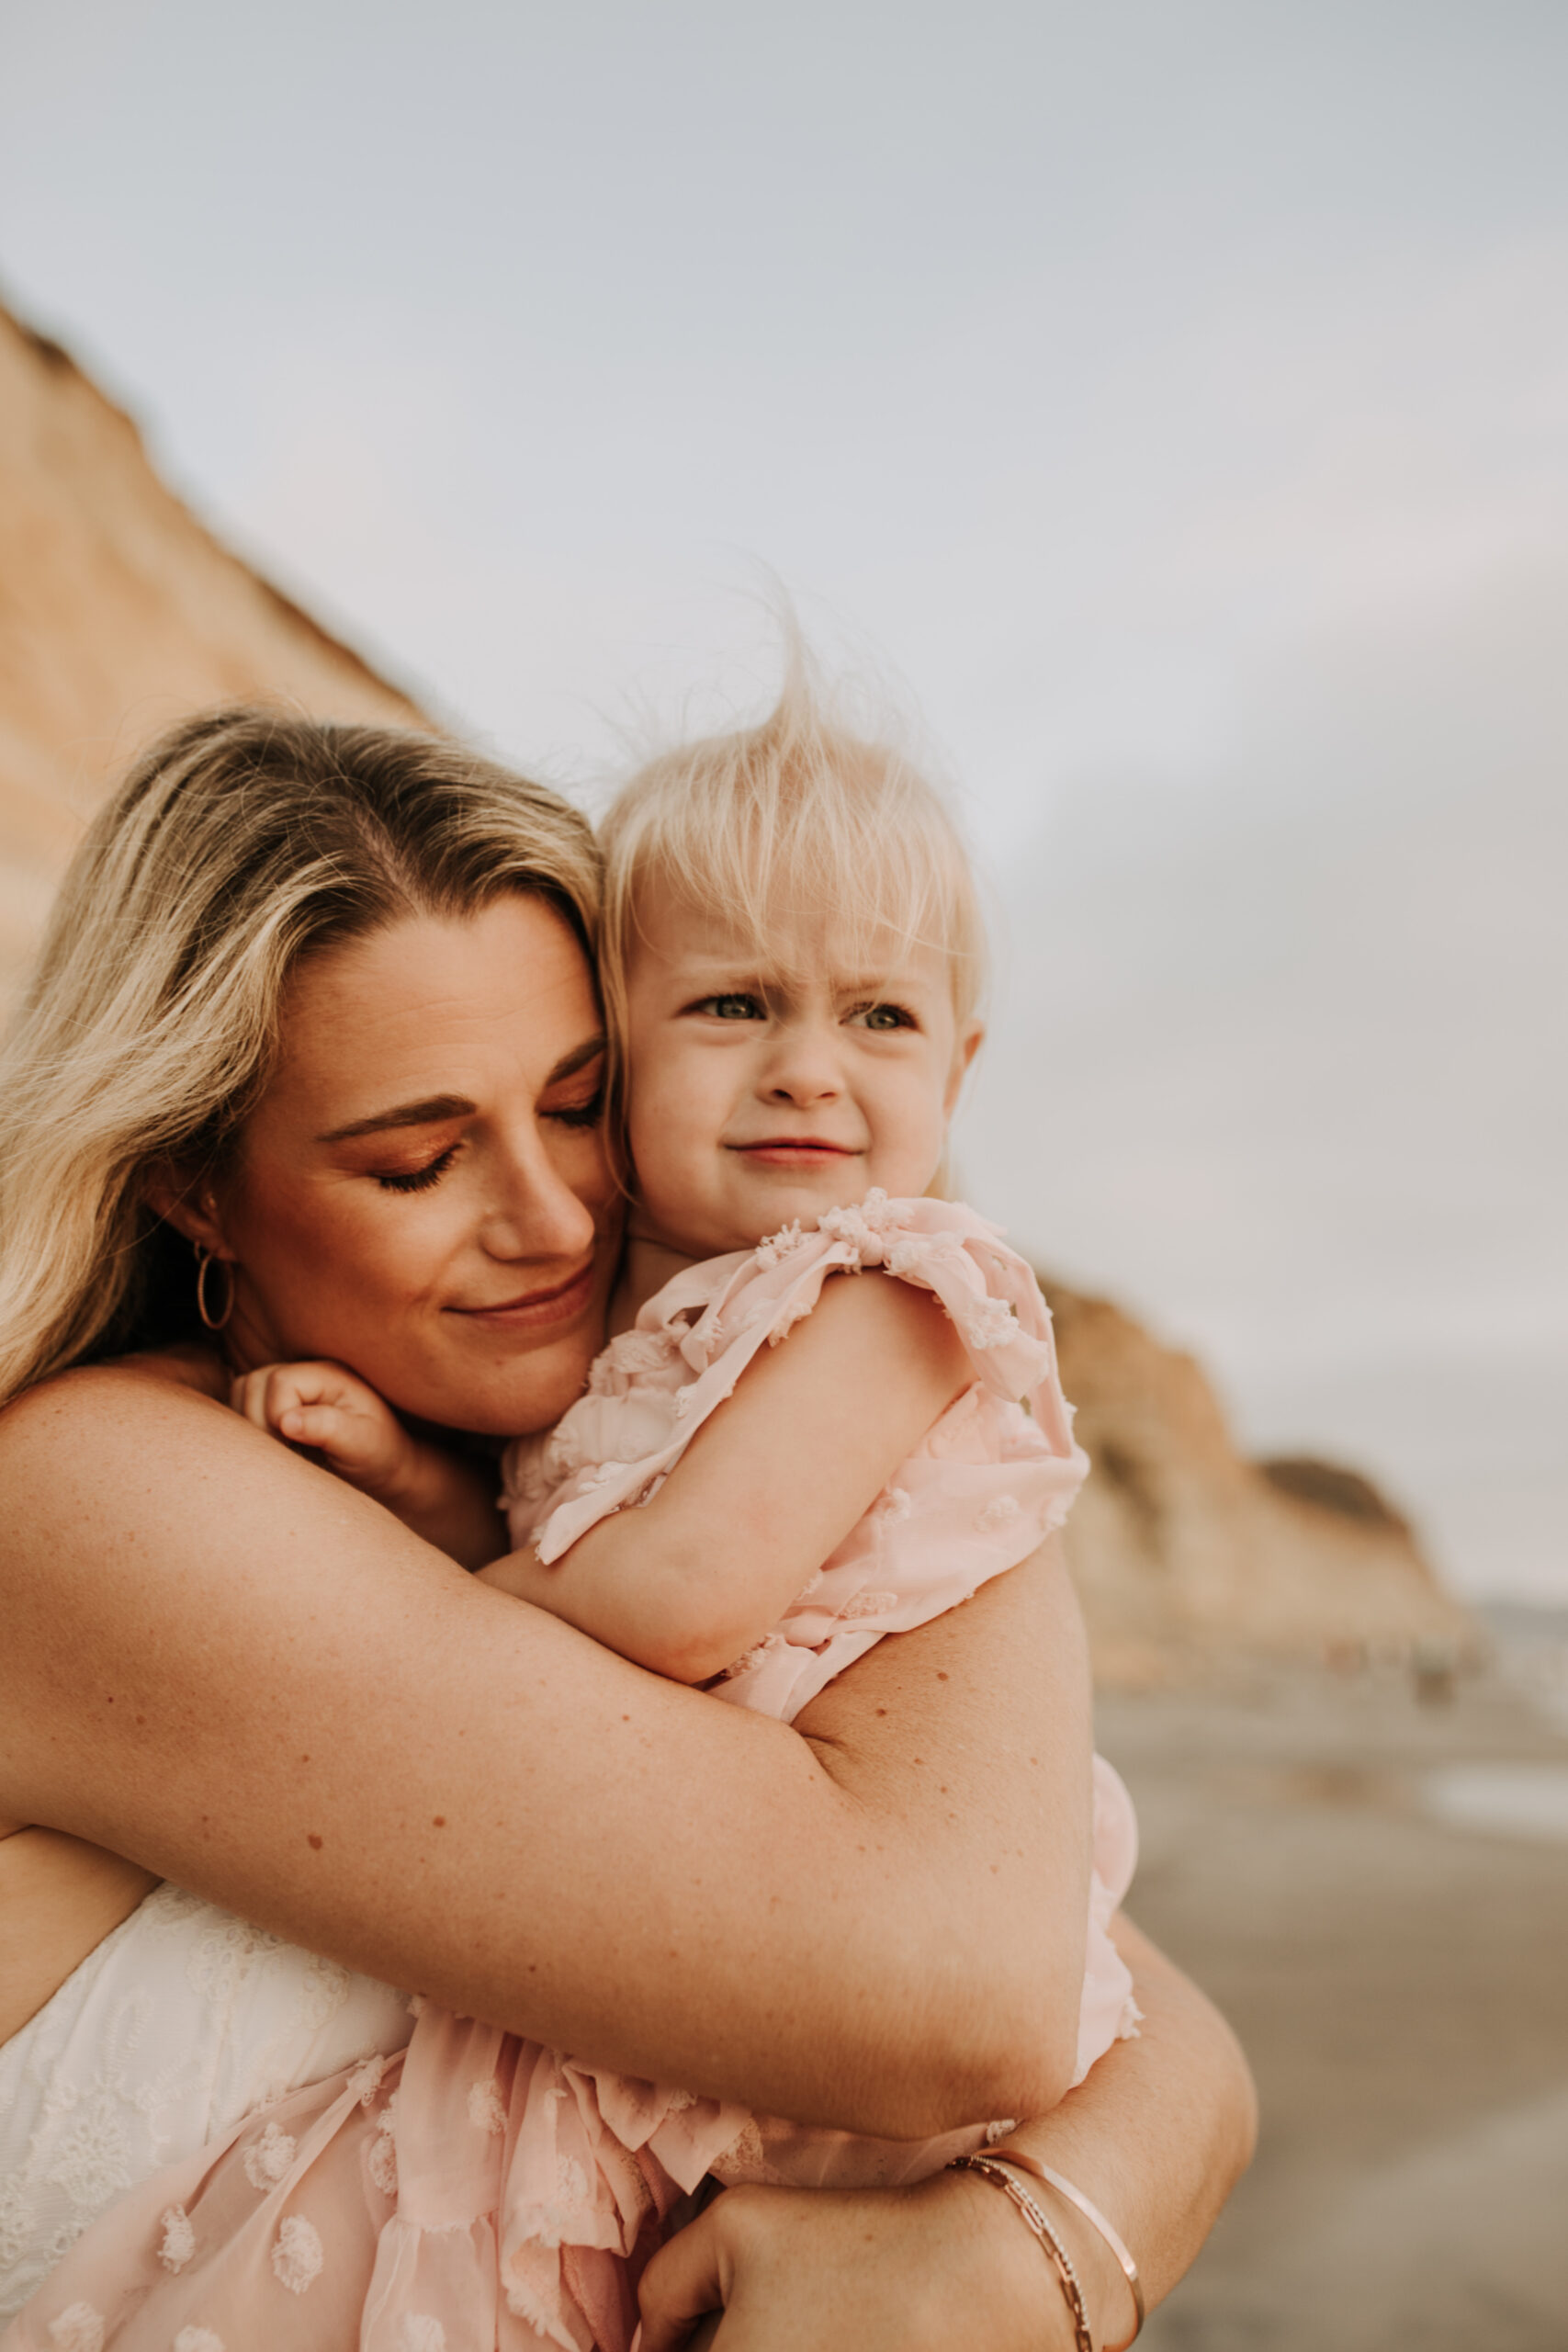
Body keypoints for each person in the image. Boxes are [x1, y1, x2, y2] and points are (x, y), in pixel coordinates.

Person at [0, 707, 1255, 2348]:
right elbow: (973, 1983)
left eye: (584, 1105)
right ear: (195, 1187)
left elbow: (1169, 2035)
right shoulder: (92, 1500)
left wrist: (1030, 2247)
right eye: (419, 1160)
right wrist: (902, 1354)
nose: (553, 1216)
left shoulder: (577, 1469)